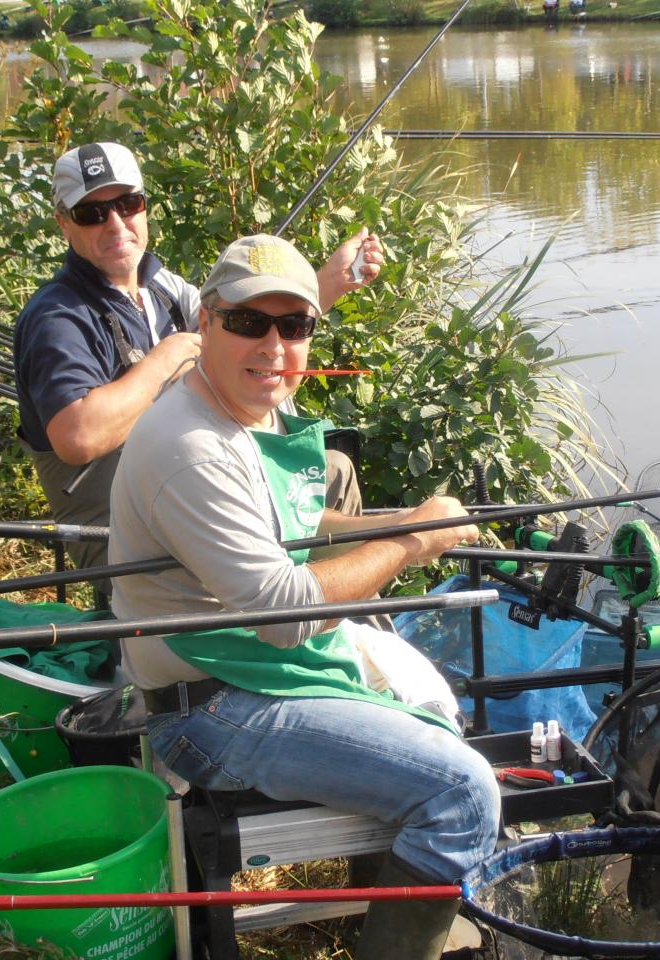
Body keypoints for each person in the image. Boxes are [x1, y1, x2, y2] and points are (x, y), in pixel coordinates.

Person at [109, 234, 502, 960]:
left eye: (295, 326)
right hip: (210, 709)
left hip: (237, 667)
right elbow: (286, 612)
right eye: (250, 322)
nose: (275, 344)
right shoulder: (191, 444)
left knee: (434, 704)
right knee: (464, 794)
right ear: (207, 321)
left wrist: (397, 521)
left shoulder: (229, 407)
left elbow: (286, 533)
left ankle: (389, 905)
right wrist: (415, 542)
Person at [13, 142, 382, 571]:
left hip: (197, 478)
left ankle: (343, 616)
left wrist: (330, 281)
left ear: (145, 206)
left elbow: (248, 326)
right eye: (91, 214)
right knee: (319, 523)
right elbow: (78, 439)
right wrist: (163, 361)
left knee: (332, 469)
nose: (115, 224)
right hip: (116, 528)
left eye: (127, 204)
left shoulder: (161, 287)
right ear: (63, 223)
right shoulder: (56, 317)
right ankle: (313, 605)